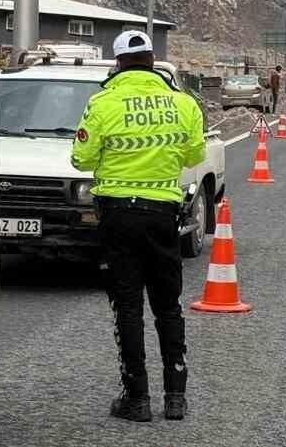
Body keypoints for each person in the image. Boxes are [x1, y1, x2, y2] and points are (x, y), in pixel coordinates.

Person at [72, 29, 206, 422]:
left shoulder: (103, 102)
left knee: (128, 305)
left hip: (118, 217)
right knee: (168, 305)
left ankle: (137, 398)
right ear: (152, 61)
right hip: (163, 214)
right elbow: (194, 153)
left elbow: (81, 159)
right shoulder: (183, 104)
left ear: (118, 63)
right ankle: (176, 398)